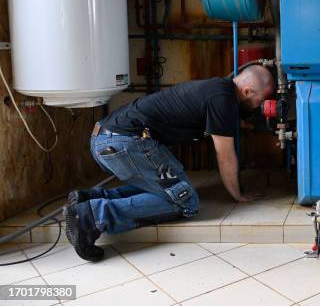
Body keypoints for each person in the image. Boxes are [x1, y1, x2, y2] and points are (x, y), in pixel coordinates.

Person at [63, 65, 275, 261]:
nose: (260, 106)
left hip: (103, 138)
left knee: (167, 190)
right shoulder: (223, 100)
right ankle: (90, 217)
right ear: (247, 92)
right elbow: (225, 155)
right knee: (185, 201)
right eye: (260, 100)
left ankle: (89, 198)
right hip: (126, 142)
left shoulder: (218, 89)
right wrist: (237, 194)